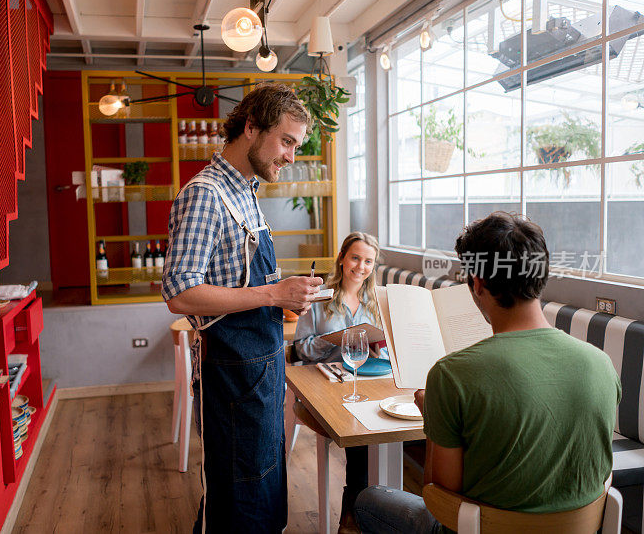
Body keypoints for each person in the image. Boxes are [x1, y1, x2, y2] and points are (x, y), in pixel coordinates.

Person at [353, 212, 621, 534]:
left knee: (368, 501)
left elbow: (439, 498)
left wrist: (432, 417)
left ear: (478, 284)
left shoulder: (451, 375)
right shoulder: (601, 364)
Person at [162, 82, 324, 533]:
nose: (291, 156)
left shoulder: (245, 191)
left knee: (260, 492)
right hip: (232, 376)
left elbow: (238, 281)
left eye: (296, 144)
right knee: (236, 499)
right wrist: (273, 294)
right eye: (287, 141)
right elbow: (179, 291)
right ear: (251, 127)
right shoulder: (206, 195)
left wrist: (287, 296)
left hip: (262, 372)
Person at [292, 231, 385, 533]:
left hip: (365, 381)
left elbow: (382, 346)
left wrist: (378, 346)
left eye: (368, 261)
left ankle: (367, 515)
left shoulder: (376, 300)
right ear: (343, 258)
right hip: (324, 384)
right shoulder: (321, 297)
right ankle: (352, 518)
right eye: (356, 258)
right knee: (362, 437)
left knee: (380, 430)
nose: (361, 266)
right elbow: (300, 348)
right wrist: (333, 342)